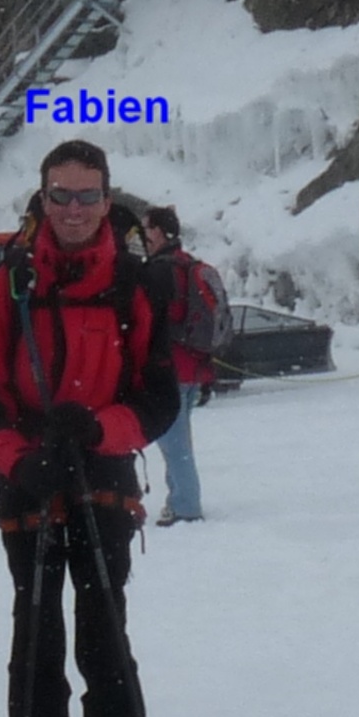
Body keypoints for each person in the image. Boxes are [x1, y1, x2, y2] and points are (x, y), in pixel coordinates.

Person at [0, 139, 178, 717]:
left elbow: (158, 398)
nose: (74, 209)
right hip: (31, 476)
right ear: (43, 198)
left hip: (103, 473)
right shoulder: (7, 286)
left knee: (103, 625)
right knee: (36, 627)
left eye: (87, 196)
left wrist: (98, 429)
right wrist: (21, 460)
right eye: (61, 195)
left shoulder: (136, 284)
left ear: (107, 201)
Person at [142, 205, 210, 526]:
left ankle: (186, 505)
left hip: (171, 368)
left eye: (147, 229)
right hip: (194, 365)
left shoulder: (160, 270)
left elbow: (155, 321)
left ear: (158, 232)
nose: (143, 235)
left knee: (174, 443)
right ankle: (178, 498)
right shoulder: (188, 264)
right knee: (179, 439)